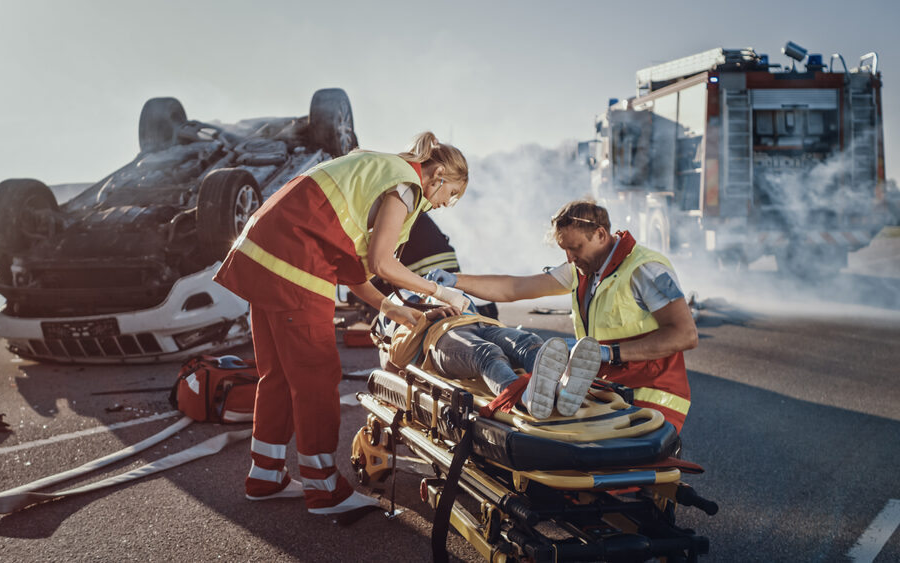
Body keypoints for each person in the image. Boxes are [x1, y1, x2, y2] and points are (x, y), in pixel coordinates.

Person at [213, 132, 470, 516]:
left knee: (279, 375)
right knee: (316, 376)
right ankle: (324, 489)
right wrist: (439, 291)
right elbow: (384, 263)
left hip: (262, 253)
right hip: (297, 264)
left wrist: (390, 306)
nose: (443, 205)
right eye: (450, 195)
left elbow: (351, 267)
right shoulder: (407, 185)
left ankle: (265, 476)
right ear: (438, 177)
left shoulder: (375, 167)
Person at [427, 200, 698, 433]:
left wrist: (609, 354)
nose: (569, 257)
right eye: (564, 250)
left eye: (575, 248)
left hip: (653, 398)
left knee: (593, 471)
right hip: (609, 389)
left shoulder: (646, 269)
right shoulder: (582, 269)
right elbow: (515, 288)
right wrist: (455, 280)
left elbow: (685, 334)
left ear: (601, 235)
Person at [375, 290, 603, 419]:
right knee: (487, 354)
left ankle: (560, 390)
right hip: (441, 340)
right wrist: (427, 317)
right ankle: (523, 401)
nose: (422, 300)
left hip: (481, 324)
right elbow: (399, 357)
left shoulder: (458, 306)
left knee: (530, 342)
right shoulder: (407, 323)